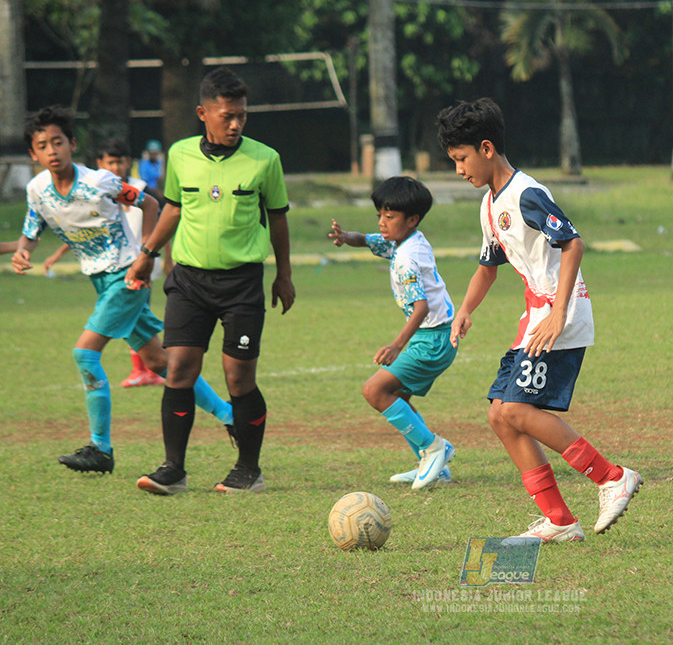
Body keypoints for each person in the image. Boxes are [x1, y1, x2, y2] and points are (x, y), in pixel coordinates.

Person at [436, 97, 642, 543]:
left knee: (517, 409)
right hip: (535, 315)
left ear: (486, 148)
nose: (458, 170)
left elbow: (573, 245)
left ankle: (611, 477)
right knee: (499, 416)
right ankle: (559, 520)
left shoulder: (526, 193)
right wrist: (465, 309)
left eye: (461, 159)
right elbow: (488, 267)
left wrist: (559, 312)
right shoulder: (490, 205)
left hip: (559, 314)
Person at [10, 105, 232, 475]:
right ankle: (229, 415)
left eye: (58, 142)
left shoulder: (100, 181)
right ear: (33, 154)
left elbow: (149, 203)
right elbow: (32, 230)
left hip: (127, 278)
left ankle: (101, 449)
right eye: (43, 145)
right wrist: (23, 251)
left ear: (72, 144)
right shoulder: (37, 191)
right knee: (160, 362)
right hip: (101, 281)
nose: (52, 151)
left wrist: (146, 254)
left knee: (85, 354)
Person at [126, 67, 295, 496]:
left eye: (241, 115)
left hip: (241, 283)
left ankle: (248, 469)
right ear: (203, 113)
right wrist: (146, 256)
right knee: (179, 368)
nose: (235, 124)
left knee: (238, 378)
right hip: (188, 279)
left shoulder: (266, 159)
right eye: (226, 116)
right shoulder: (180, 155)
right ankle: (173, 470)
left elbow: (277, 219)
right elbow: (172, 209)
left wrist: (284, 275)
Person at [327, 176, 457, 489]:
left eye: (390, 217)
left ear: (411, 219)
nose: (382, 223)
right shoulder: (407, 239)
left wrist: (397, 345)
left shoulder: (407, 259)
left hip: (433, 339)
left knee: (375, 391)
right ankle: (434, 464)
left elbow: (422, 307)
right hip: (435, 335)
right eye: (380, 216)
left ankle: (434, 448)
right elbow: (367, 239)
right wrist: (346, 237)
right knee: (396, 396)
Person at [43, 138, 167, 387]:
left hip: (139, 263)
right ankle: (148, 369)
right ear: (100, 163)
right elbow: (85, 230)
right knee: (142, 329)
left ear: (128, 163)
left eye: (120, 162)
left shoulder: (142, 190)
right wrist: (56, 254)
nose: (116, 167)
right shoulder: (98, 192)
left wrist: (152, 254)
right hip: (111, 271)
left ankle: (143, 371)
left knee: (87, 351)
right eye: (110, 162)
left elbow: (164, 218)